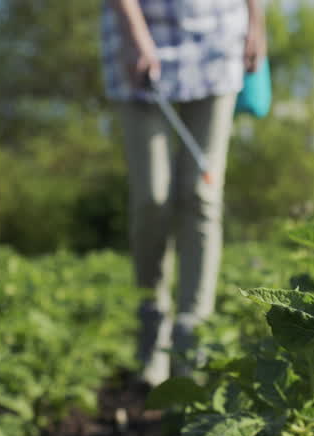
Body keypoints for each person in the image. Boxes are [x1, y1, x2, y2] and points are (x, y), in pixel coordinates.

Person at [102, 0, 267, 386]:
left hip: (217, 39)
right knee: (151, 199)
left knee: (201, 195)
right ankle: (153, 325)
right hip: (139, 37)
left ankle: (193, 339)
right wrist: (134, 32)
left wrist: (257, 24)